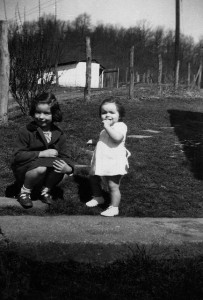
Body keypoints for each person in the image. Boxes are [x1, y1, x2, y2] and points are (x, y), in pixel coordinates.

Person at [11, 92, 74, 209]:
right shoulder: (26, 131)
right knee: (41, 168)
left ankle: (44, 191)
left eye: (46, 113)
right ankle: (24, 192)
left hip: (47, 171)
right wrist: (41, 153)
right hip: (27, 170)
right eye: (38, 112)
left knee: (61, 165)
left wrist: (69, 169)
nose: (41, 116)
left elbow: (65, 156)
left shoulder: (59, 134)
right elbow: (17, 156)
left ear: (54, 114)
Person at [86, 97, 130, 217]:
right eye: (104, 112)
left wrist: (107, 127)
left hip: (114, 161)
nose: (107, 115)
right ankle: (98, 197)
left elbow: (117, 138)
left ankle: (114, 207)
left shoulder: (121, 126)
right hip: (101, 160)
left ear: (119, 115)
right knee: (93, 178)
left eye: (111, 112)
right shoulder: (105, 130)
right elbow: (105, 141)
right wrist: (95, 142)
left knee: (113, 185)